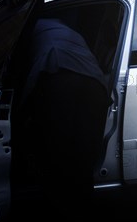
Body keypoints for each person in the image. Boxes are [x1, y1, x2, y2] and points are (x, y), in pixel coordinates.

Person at [23, 18, 112, 219]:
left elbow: (30, 77)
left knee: (58, 155)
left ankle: (63, 206)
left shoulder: (30, 34)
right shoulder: (63, 31)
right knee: (83, 154)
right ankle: (83, 204)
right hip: (95, 87)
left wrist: (22, 111)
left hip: (63, 84)